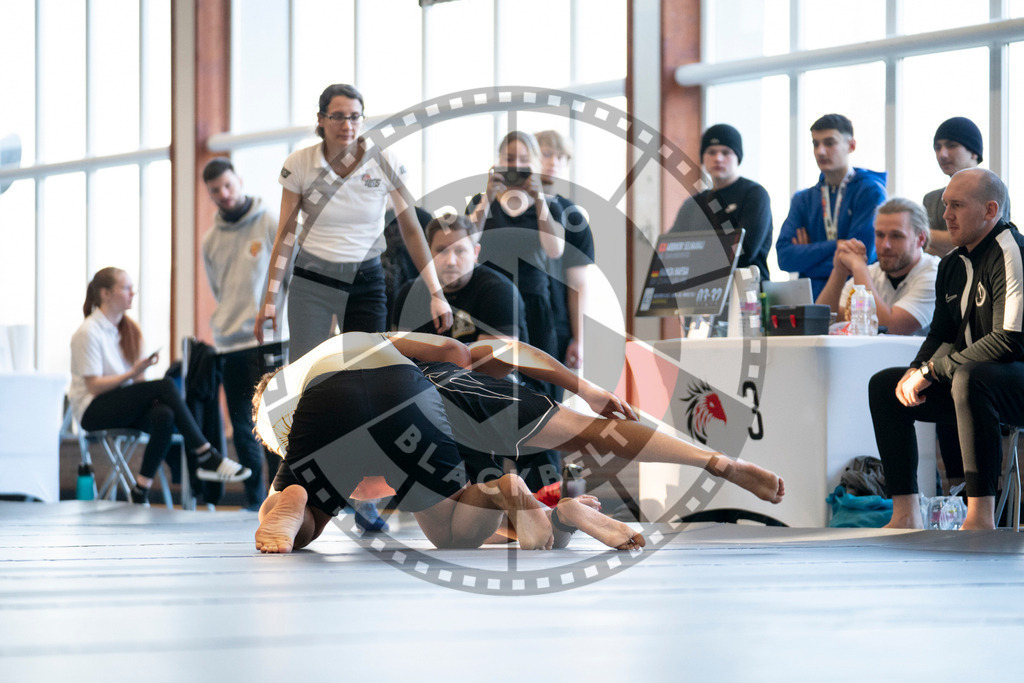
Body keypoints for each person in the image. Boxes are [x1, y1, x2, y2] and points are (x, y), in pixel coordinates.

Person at [251, 331, 784, 553]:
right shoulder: (362, 340)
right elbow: (472, 352)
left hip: (340, 405)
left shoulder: (283, 405)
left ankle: (293, 500)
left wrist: (314, 491)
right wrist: (584, 387)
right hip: (420, 388)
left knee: (300, 513)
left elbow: (368, 486)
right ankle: (715, 459)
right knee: (590, 432)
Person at [868, 169, 1024, 530]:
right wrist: (916, 369)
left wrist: (933, 371)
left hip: (1012, 379)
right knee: (886, 387)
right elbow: (941, 333)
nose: (946, 215)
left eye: (957, 206)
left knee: (970, 378)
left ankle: (980, 517)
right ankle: (906, 514)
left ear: (989, 210)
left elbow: (1008, 340)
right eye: (945, 206)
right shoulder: (952, 264)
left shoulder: (1010, 251)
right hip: (973, 381)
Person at [253, 83, 452, 359]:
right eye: (337, 116)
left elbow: (412, 230)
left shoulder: (385, 161)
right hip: (313, 280)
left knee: (367, 370)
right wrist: (270, 298)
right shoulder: (299, 163)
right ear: (321, 120)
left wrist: (436, 292)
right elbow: (285, 236)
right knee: (307, 371)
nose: (347, 124)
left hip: (365, 279)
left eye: (355, 116)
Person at [69, 268, 251, 504]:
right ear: (105, 293)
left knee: (163, 414)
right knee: (165, 386)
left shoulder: (129, 332)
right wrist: (134, 373)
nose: (132, 293)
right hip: (93, 410)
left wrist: (141, 383)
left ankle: (140, 490)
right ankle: (205, 453)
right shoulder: (88, 332)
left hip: (120, 405)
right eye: (125, 288)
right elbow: (93, 387)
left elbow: (136, 387)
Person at [201, 157, 288, 510]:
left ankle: (280, 496)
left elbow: (287, 272)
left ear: (239, 180)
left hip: (269, 337)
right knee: (241, 423)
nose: (223, 194)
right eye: (215, 191)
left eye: (227, 185)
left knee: (275, 418)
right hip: (230, 342)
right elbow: (218, 289)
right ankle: (254, 500)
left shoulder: (268, 221)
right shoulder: (210, 240)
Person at [776, 114, 887, 299]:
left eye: (829, 143)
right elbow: (785, 258)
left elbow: (862, 258)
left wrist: (808, 257)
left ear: (851, 145)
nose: (820, 151)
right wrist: (835, 245)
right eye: (815, 143)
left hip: (856, 299)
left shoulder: (870, 192)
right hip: (811, 300)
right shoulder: (803, 199)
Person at [391, 214, 528, 344]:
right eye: (442, 250)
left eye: (460, 251)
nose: (451, 261)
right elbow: (400, 355)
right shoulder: (410, 293)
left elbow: (496, 363)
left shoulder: (499, 292)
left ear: (475, 253)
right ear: (427, 253)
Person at [816, 197, 940, 336]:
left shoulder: (935, 274)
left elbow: (890, 328)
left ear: (921, 238)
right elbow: (821, 321)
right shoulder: (871, 273)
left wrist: (859, 267)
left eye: (896, 236)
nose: (885, 245)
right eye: (880, 235)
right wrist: (839, 271)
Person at [669, 124, 772, 280]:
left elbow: (744, 254)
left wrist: (697, 253)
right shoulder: (693, 204)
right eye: (711, 152)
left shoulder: (754, 195)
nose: (718, 158)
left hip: (746, 292)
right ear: (703, 157)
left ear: (738, 157)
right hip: (699, 291)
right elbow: (671, 253)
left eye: (726, 152)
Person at [535, 130, 594, 371]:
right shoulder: (507, 209)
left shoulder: (573, 216)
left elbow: (577, 283)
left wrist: (578, 339)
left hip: (554, 323)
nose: (553, 162)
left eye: (561, 157)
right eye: (546, 154)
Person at [923, 116, 1011, 256]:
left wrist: (919, 232)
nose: (942, 154)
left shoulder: (993, 190)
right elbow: (924, 250)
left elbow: (987, 244)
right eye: (937, 147)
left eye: (951, 145)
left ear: (974, 152)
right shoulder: (931, 199)